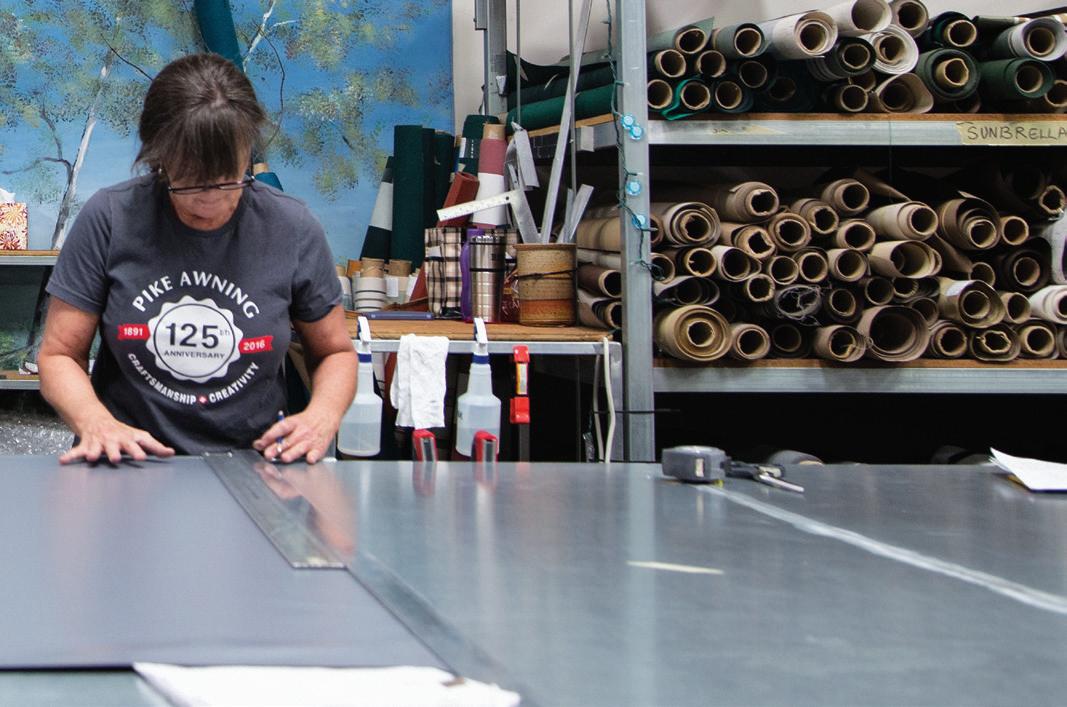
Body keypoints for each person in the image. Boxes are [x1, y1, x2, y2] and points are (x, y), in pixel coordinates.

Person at [38, 53, 357, 465]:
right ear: (158, 158)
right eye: (189, 182)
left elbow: (335, 353)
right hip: (130, 460)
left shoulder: (291, 227)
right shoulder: (111, 218)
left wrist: (322, 415)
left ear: (248, 154)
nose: (209, 201)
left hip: (253, 464)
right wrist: (95, 422)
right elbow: (59, 355)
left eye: (227, 180)